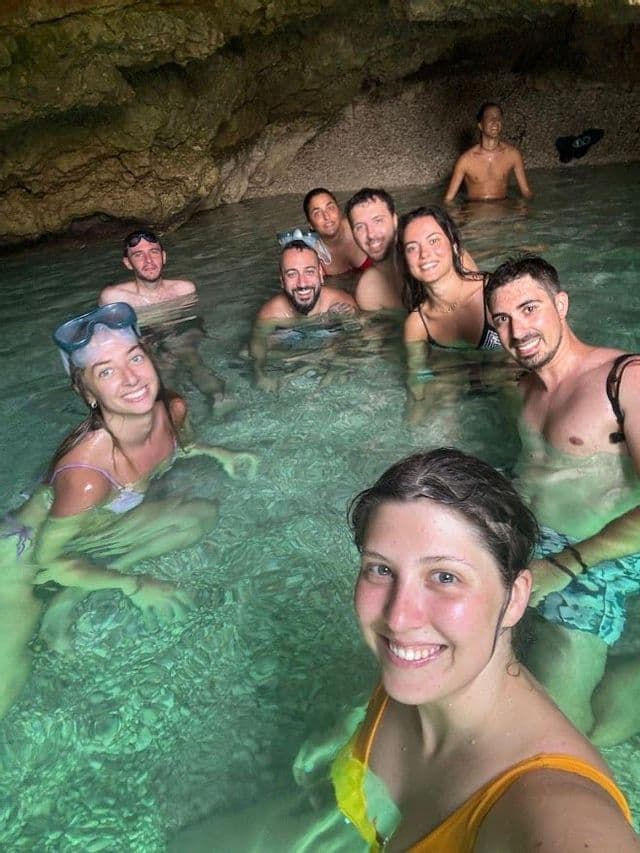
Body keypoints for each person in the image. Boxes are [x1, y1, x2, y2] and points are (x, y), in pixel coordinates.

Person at [336, 447, 637, 851]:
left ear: (515, 598)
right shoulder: (422, 665)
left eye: (445, 576)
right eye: (381, 568)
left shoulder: (551, 807)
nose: (398, 617)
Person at [0, 303, 257, 720]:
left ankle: (71, 594)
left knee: (199, 517)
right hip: (21, 554)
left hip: (92, 534)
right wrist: (134, 585)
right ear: (87, 393)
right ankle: (63, 597)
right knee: (8, 675)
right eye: (105, 371)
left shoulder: (172, 409)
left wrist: (219, 452)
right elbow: (46, 559)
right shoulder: (87, 475)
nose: (132, 378)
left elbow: (184, 446)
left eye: (135, 357)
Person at [485, 255, 640, 746]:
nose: (518, 330)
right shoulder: (523, 387)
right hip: (533, 537)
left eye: (529, 309)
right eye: (503, 320)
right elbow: (535, 470)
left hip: (597, 552)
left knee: (564, 736)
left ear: (561, 304)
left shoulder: (625, 380)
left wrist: (565, 565)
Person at [100, 229, 225, 407]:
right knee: (160, 369)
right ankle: (175, 415)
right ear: (128, 263)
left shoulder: (184, 289)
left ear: (164, 257)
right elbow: (112, 339)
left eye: (154, 252)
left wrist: (181, 343)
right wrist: (150, 347)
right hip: (145, 343)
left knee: (190, 355)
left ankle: (219, 399)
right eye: (138, 255)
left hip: (176, 337)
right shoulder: (115, 298)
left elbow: (194, 322)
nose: (148, 261)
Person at [397, 205, 499, 403]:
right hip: (459, 382)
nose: (424, 254)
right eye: (412, 248)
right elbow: (418, 380)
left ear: (453, 245)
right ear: (405, 260)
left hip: (508, 377)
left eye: (433, 240)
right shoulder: (417, 324)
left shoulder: (494, 292)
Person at [250, 238, 358, 391]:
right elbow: (257, 349)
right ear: (282, 280)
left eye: (309, 272)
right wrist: (259, 373)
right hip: (291, 348)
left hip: (328, 347)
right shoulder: (270, 315)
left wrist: (348, 321)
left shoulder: (342, 302)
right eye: (292, 274)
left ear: (321, 274)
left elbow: (363, 339)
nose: (302, 283)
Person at [445, 103, 533, 203]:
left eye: (498, 117)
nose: (495, 121)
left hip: (504, 213)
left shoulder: (513, 155)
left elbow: (526, 192)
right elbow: (448, 200)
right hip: (475, 214)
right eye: (489, 118)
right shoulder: (465, 160)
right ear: (481, 125)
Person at [345, 188, 405, 312]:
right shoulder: (368, 291)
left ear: (395, 220)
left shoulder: (429, 257)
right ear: (353, 234)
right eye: (360, 227)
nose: (371, 234)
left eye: (378, 221)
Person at [302, 188, 370, 282]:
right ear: (310, 224)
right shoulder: (314, 257)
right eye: (317, 213)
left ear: (339, 211)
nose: (326, 216)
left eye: (330, 208)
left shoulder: (363, 228)